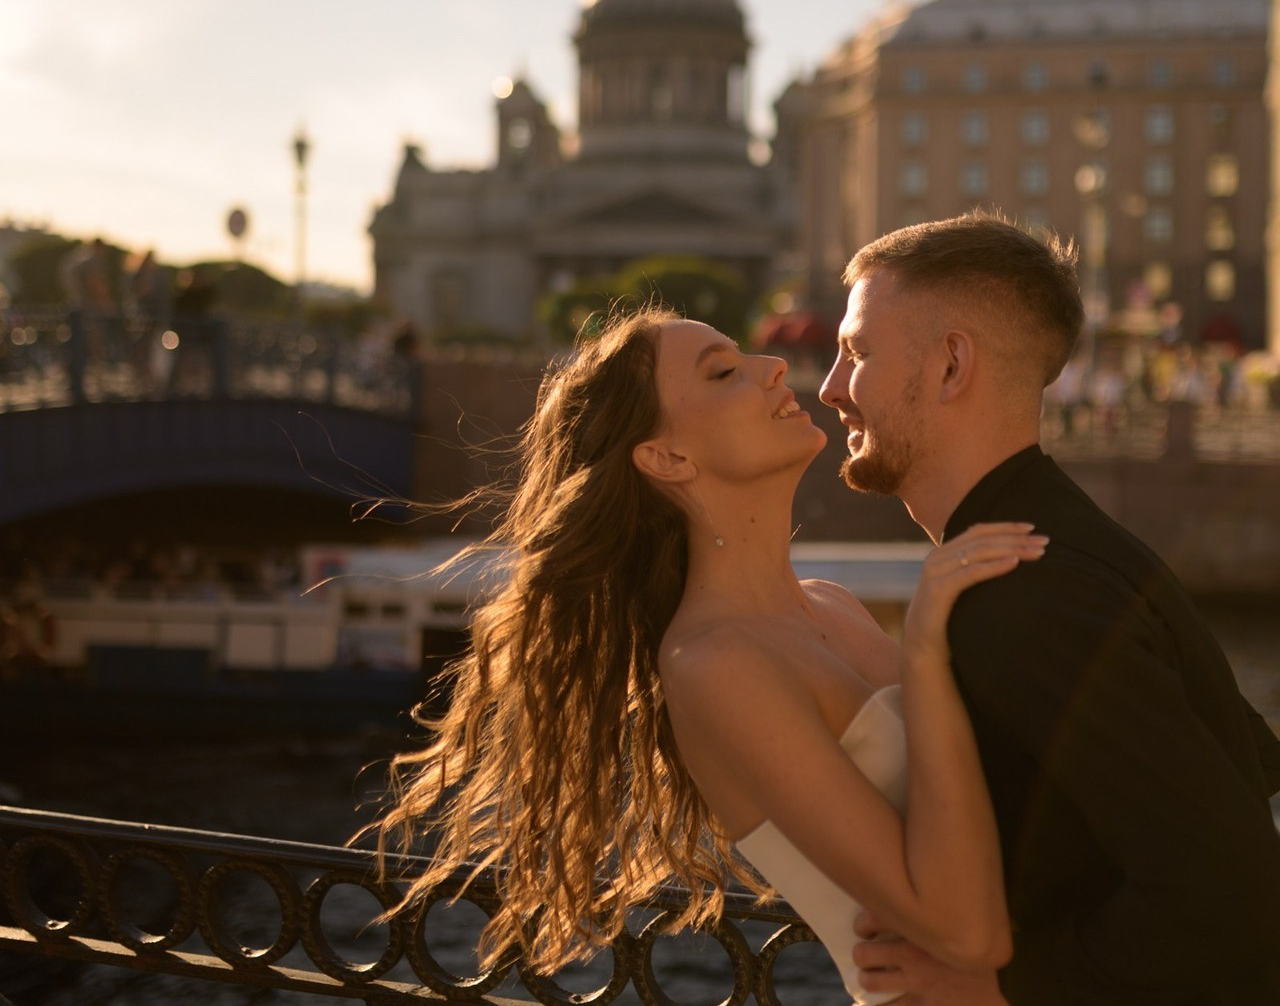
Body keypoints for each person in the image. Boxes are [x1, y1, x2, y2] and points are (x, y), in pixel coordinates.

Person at [376, 306, 1044, 1002]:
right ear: (667, 458)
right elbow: (969, 937)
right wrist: (929, 645)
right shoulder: (713, 663)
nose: (773, 366)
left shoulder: (834, 605)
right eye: (725, 372)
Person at [818, 213, 1280, 1005]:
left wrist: (1004, 988)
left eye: (856, 353)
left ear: (951, 365)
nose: (828, 388)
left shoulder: (1025, 593)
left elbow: (1232, 897)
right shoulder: (1066, 545)